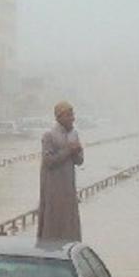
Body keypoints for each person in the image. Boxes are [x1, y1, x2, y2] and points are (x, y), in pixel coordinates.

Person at [37, 101, 83, 242]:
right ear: (59, 117)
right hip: (53, 189)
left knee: (70, 222)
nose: (72, 118)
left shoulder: (74, 134)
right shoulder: (49, 136)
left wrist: (76, 151)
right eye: (69, 115)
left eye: (72, 115)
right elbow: (48, 161)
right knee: (53, 222)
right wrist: (69, 150)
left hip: (69, 189)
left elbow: (79, 161)